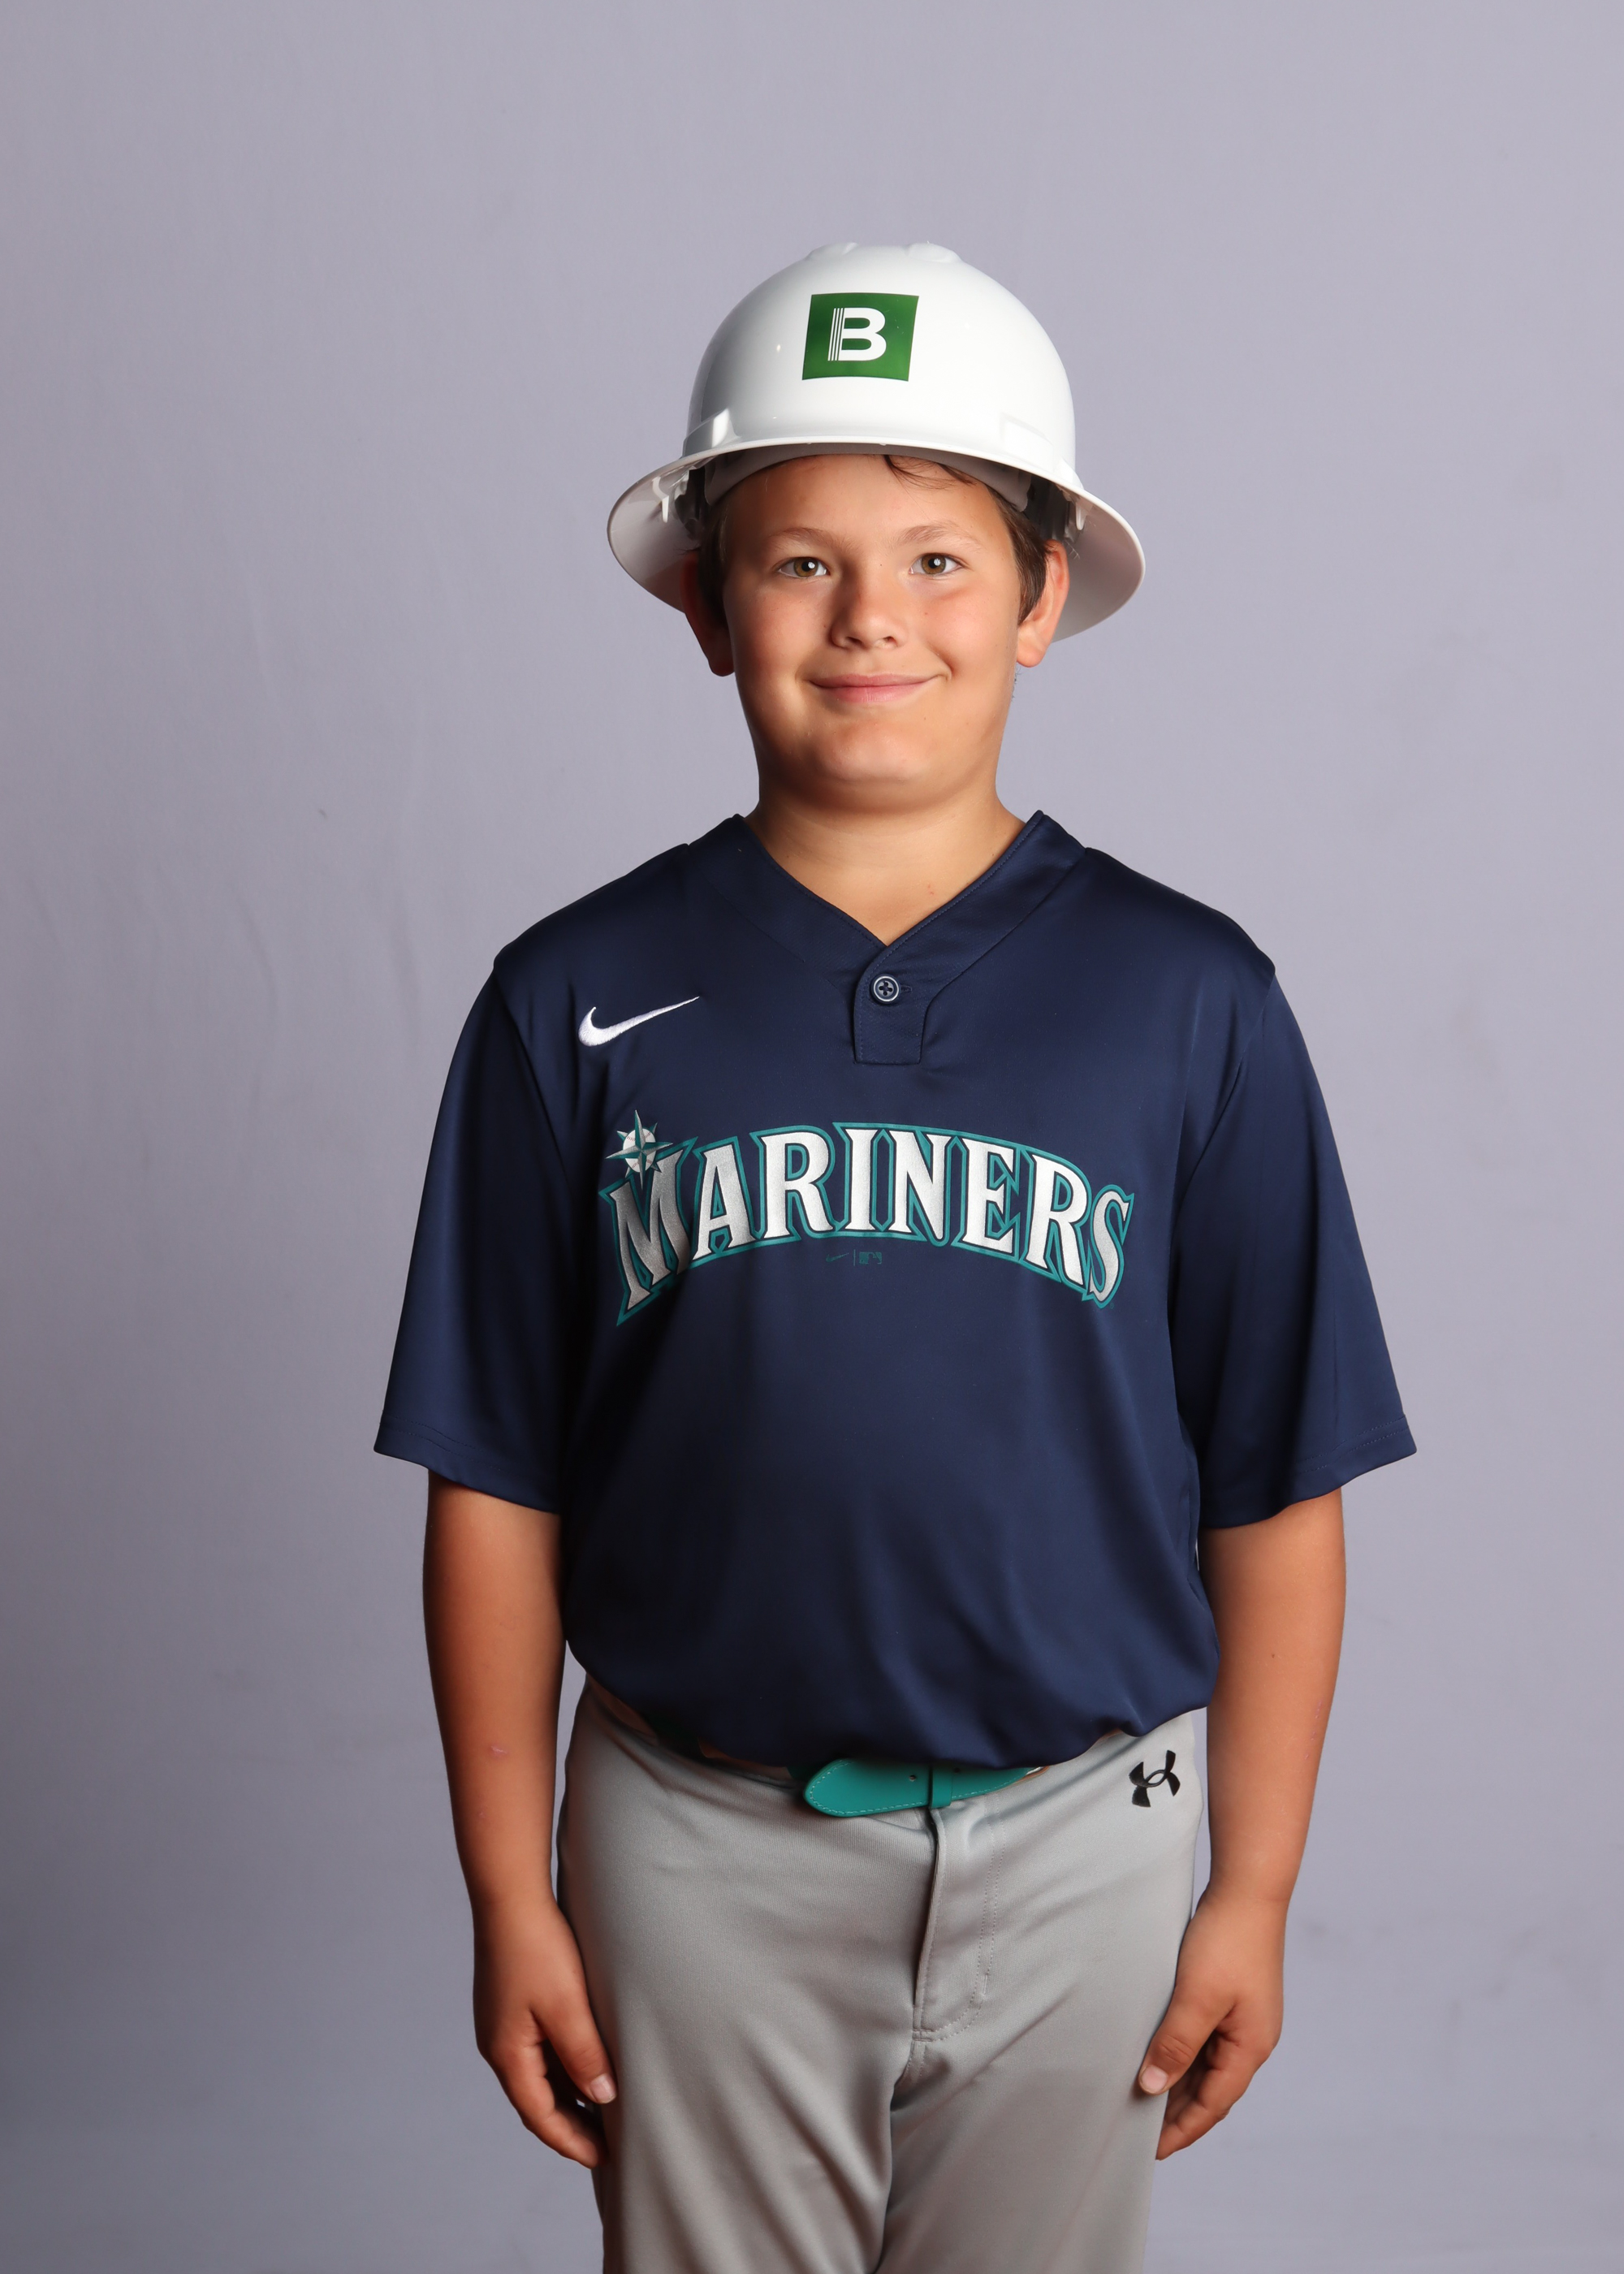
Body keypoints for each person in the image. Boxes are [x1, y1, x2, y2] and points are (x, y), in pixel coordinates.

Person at [377, 243, 1415, 2273]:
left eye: (939, 560)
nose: (872, 616)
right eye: (801, 562)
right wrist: (510, 1891)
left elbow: (1277, 1482)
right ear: (706, 605)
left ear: (1039, 597)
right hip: (693, 1833)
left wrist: (1253, 1883)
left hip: (1086, 1832)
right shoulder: (571, 995)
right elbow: (493, 1480)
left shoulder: (1189, 996)